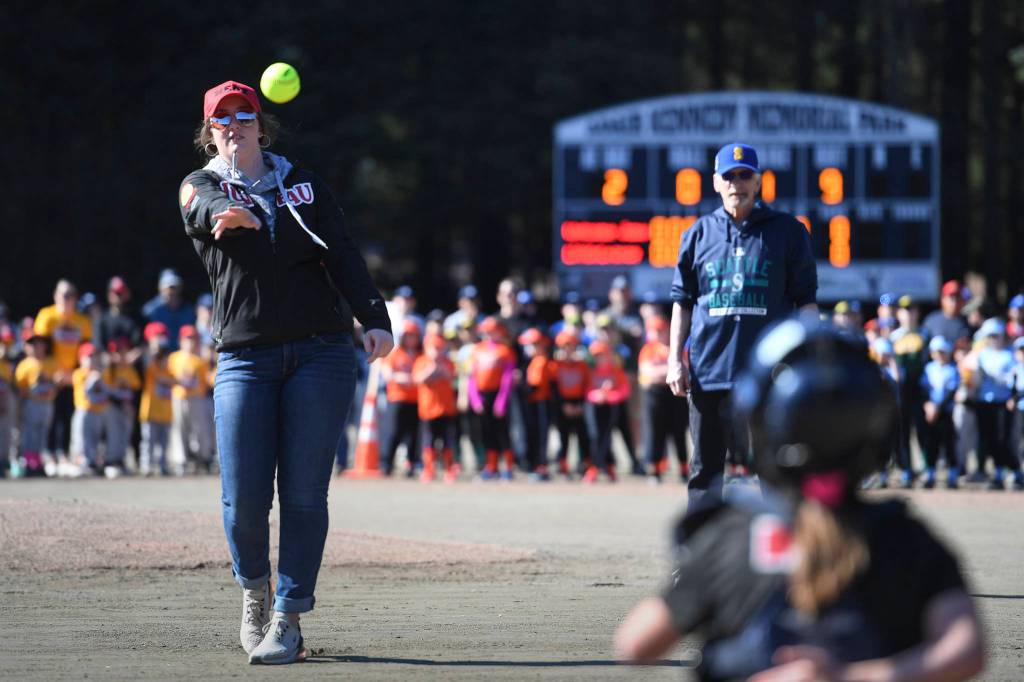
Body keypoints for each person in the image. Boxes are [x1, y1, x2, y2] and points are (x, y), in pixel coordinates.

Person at [615, 317, 985, 681]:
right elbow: (966, 650)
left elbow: (635, 645)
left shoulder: (730, 536)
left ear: (761, 423)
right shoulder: (904, 538)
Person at [179, 79, 393, 664]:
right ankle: (254, 590)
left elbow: (342, 250)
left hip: (321, 353)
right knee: (244, 498)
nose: (233, 126)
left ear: (260, 125)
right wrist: (229, 210)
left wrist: (373, 316)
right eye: (221, 120)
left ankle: (289, 616)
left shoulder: (303, 184)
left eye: (243, 116)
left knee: (302, 495)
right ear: (209, 132)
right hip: (245, 358)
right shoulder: (199, 185)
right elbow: (202, 209)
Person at [667, 143, 817, 508]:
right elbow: (682, 302)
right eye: (729, 176)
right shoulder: (697, 234)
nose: (738, 183)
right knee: (705, 470)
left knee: (776, 467)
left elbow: (806, 302)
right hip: (708, 368)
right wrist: (674, 359)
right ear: (716, 182)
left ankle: (786, 556)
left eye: (745, 174)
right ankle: (698, 558)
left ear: (759, 180)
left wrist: (810, 359)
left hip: (768, 371)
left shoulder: (788, 232)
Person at [34, 279, 91, 462]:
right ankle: (47, 454)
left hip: (73, 376)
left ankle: (64, 453)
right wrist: (54, 372)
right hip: (51, 375)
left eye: (70, 296)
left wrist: (74, 374)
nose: (67, 299)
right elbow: (41, 346)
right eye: (63, 295)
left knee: (68, 415)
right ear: (55, 296)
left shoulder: (82, 321)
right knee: (50, 416)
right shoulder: (47, 316)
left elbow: (85, 350)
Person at [638, 315, 689, 484]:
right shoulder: (648, 350)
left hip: (675, 393)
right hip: (655, 395)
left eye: (661, 331)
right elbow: (647, 372)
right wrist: (668, 370)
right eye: (654, 331)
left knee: (678, 432)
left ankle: (683, 468)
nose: (657, 334)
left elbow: (684, 367)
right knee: (654, 433)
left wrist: (661, 370)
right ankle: (654, 470)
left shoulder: (676, 348)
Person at [467, 316, 517, 480]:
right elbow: (472, 377)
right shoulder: (477, 350)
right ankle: (491, 465)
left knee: (502, 432)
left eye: (492, 332)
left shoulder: (505, 350)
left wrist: (501, 400)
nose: (489, 335)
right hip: (482, 396)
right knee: (486, 432)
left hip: (498, 395)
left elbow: (507, 377)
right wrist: (475, 399)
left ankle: (508, 466)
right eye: (486, 332)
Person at [412, 332, 460, 483]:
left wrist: (443, 370)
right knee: (428, 442)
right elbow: (417, 379)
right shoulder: (421, 361)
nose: (436, 351)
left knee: (448, 442)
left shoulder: (448, 362)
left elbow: (453, 379)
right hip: (428, 410)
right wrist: (431, 369)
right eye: (433, 348)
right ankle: (429, 469)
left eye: (439, 348)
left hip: (446, 409)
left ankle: (449, 469)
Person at [584, 340, 630, 483]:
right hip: (593, 406)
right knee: (595, 436)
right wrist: (596, 395)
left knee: (606, 437)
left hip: (610, 407)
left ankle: (605, 467)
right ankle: (596, 466)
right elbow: (586, 389)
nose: (600, 359)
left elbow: (625, 390)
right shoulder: (590, 371)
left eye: (602, 355)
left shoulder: (616, 370)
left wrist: (608, 395)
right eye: (597, 356)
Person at [920, 336, 960, 489]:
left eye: (943, 351)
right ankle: (929, 473)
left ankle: (953, 474)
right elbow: (923, 389)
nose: (940, 355)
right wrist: (928, 405)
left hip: (945, 412)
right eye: (937, 352)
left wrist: (938, 408)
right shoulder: (928, 369)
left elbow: (951, 391)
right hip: (930, 412)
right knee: (931, 443)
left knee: (948, 443)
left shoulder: (952, 369)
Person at [142, 269, 196, 350]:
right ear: (160, 288)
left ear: (180, 287)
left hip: (183, 355)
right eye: (168, 287)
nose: (171, 291)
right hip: (160, 354)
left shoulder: (189, 311)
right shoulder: (150, 310)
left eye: (174, 287)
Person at [922, 280, 971, 350]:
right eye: (951, 298)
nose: (955, 302)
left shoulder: (969, 322)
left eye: (958, 298)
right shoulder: (931, 321)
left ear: (963, 300)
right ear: (943, 299)